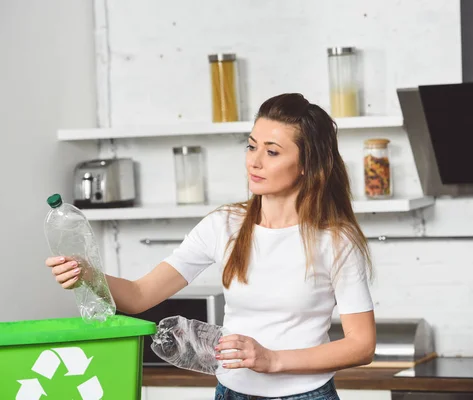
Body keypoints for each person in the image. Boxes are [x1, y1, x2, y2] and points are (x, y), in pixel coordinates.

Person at [45, 93, 376, 400]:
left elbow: (361, 345)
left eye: (272, 151)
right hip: (229, 392)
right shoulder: (224, 225)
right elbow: (138, 296)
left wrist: (272, 360)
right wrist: (88, 274)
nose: (254, 162)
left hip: (305, 395)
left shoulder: (336, 240)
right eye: (251, 146)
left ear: (307, 164)